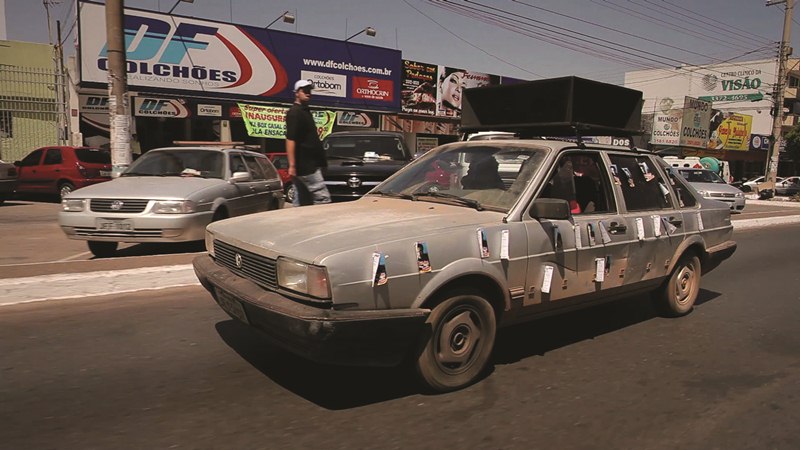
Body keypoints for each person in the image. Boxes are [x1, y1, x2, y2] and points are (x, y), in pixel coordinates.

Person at [285, 79, 331, 206]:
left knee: (301, 200)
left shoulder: (305, 111)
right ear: (297, 93)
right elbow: (290, 139)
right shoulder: (295, 113)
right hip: (306, 167)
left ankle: (298, 223)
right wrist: (292, 166)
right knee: (323, 199)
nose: (308, 93)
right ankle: (322, 225)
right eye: (305, 90)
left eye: (309, 90)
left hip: (310, 165)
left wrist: (322, 163)